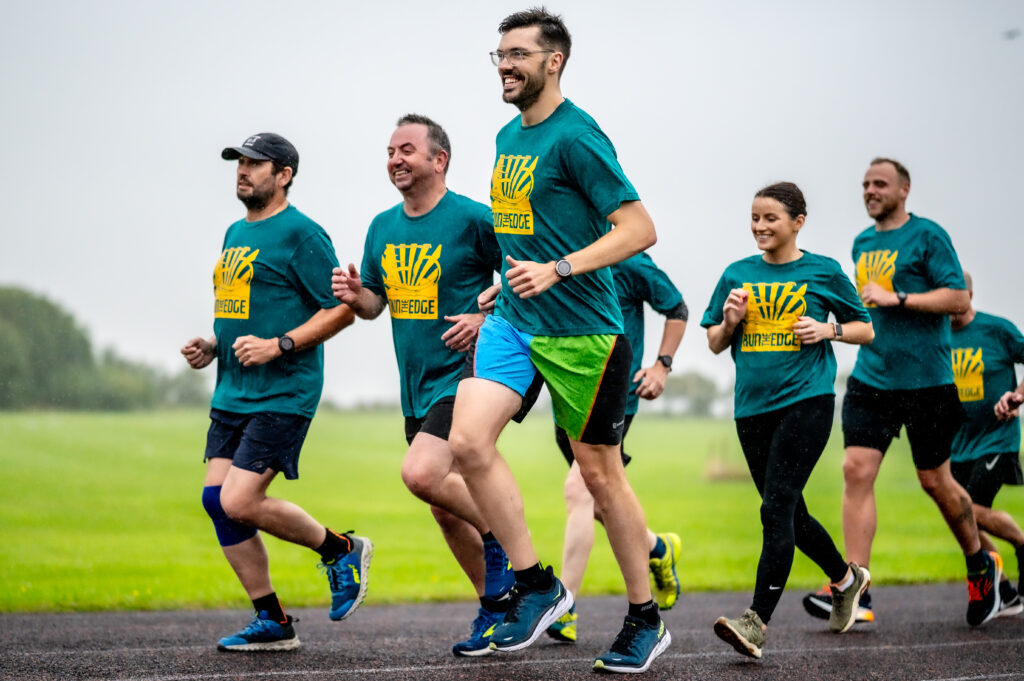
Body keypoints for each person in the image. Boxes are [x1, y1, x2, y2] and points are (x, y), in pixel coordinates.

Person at [447, 8, 671, 674]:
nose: (505, 66)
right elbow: (527, 226)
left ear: (555, 61)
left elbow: (639, 228)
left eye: (518, 54)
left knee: (600, 477)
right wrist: (506, 284)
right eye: (500, 55)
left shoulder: (578, 137)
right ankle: (537, 584)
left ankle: (645, 619)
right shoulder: (506, 136)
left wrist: (559, 268)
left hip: (584, 333)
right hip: (515, 321)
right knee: (467, 442)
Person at [330, 114, 518, 657]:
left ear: (440, 160)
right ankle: (499, 606)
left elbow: (521, 280)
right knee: (443, 506)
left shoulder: (474, 219)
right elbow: (375, 304)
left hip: (466, 376)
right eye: (390, 151)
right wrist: (356, 296)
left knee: (421, 473)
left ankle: (513, 552)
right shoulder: (382, 227)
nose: (395, 159)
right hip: (415, 385)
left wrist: (484, 318)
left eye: (407, 150)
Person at [181, 133, 369, 652]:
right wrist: (213, 346)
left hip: (284, 391)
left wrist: (279, 345)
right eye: (239, 163)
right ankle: (272, 619)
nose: (243, 171)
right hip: (233, 391)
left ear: (284, 175)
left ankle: (341, 549)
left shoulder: (302, 235)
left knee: (239, 499)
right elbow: (243, 309)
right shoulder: (235, 233)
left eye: (255, 164)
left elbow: (343, 310)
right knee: (217, 501)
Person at [801, 158, 1002, 628]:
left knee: (935, 481)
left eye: (880, 184)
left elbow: (958, 298)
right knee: (855, 470)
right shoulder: (862, 242)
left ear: (904, 189)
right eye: (865, 184)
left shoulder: (927, 236)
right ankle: (855, 590)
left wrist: (899, 298)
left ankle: (980, 563)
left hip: (926, 381)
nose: (870, 190)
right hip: (872, 377)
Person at [702, 182, 874, 659]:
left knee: (775, 509)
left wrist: (827, 329)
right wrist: (730, 321)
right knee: (790, 511)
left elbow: (866, 328)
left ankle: (755, 622)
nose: (759, 226)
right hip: (751, 408)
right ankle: (846, 579)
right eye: (755, 218)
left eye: (770, 218)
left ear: (798, 222)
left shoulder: (823, 271)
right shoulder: (737, 273)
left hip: (807, 402)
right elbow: (714, 342)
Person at [547, 252, 687, 643]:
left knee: (579, 491)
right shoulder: (559, 251)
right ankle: (657, 547)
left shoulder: (629, 260)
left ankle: (564, 607)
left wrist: (661, 365)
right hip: (567, 395)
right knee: (599, 500)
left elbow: (677, 308)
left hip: (613, 397)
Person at [949, 271, 1024, 616]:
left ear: (969, 293)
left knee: (973, 510)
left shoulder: (997, 329)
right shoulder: (937, 337)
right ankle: (1005, 591)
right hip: (958, 443)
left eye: (956, 294)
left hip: (997, 437)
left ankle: (1022, 545)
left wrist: (1017, 395)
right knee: (963, 520)